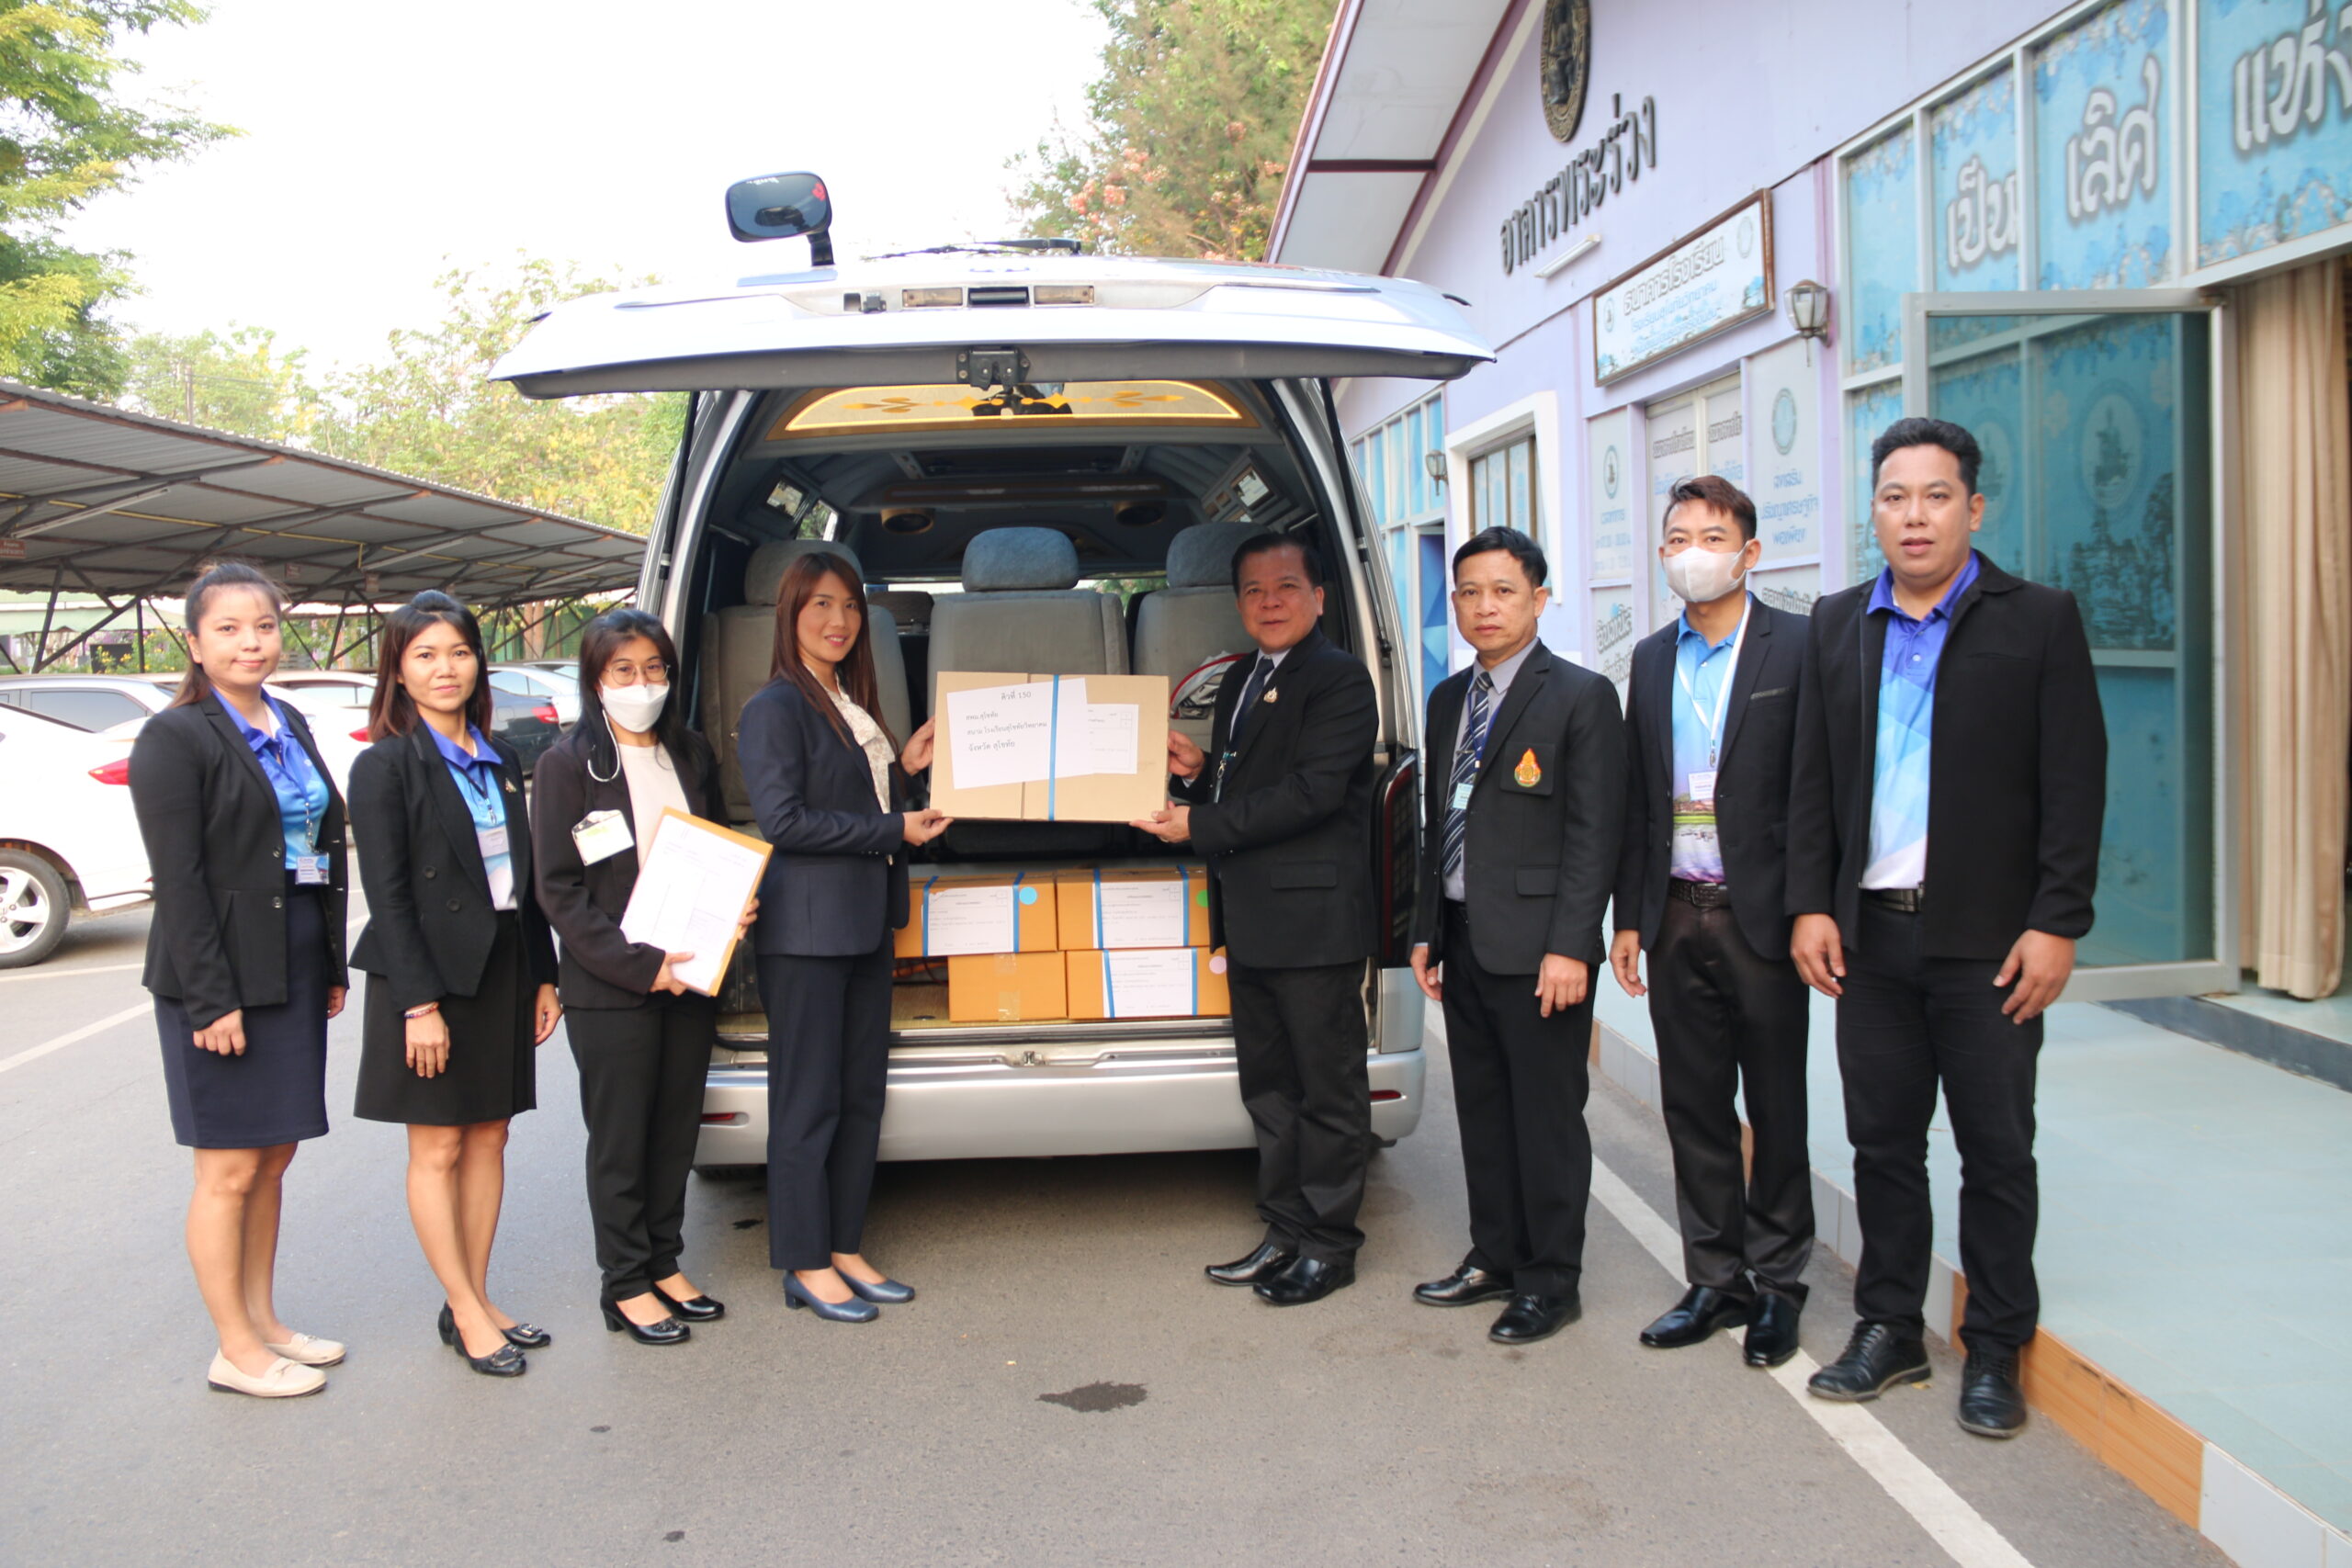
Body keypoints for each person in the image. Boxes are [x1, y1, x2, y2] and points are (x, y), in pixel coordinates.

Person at [1787, 417, 2106, 1438]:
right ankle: (1890, 1327)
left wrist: (2056, 921)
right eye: (1894, 496)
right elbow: (1809, 782)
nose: (1913, 516)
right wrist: (1810, 904)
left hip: (1989, 944)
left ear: (1974, 506)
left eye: (1934, 496)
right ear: (1873, 511)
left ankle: (1996, 1347)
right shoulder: (1838, 623)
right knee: (1881, 1144)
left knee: (1996, 1148)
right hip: (1871, 939)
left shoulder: (2038, 619)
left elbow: (2074, 782)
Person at [1134, 532, 1380, 1307]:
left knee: (1327, 1091)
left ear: (1319, 597)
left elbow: (1312, 792)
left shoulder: (1340, 679)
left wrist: (1198, 825)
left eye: (1286, 587)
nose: (1269, 603)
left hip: (1313, 924)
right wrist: (1200, 775)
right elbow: (1253, 783)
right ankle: (1284, 1228)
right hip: (1252, 919)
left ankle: (1329, 1245)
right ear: (1237, 603)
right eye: (1253, 591)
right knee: (1270, 1091)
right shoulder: (1244, 675)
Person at [130, 561, 350, 1399]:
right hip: (220, 973)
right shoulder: (174, 737)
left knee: (273, 1155)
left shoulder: (288, 718)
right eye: (227, 628)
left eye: (263, 624)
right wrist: (210, 998)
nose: (250, 642)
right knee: (227, 1168)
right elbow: (179, 881)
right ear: (194, 642)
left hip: (292, 957)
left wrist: (329, 961)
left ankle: (264, 1320)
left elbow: (319, 845)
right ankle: (234, 1347)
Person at [1610, 476, 1814, 1369]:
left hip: (1761, 919)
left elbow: (1816, 792)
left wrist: (1811, 910)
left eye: (1713, 537)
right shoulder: (1652, 658)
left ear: (1750, 553)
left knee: (1775, 1106)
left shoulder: (1797, 647)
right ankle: (1714, 1278)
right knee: (1693, 1106)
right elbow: (1638, 798)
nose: (1693, 553)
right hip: (1674, 915)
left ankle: (1780, 1285)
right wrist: (1629, 917)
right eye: (1678, 538)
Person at [1406, 526, 1624, 1346]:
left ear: (1539, 598)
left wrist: (1572, 944)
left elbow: (1595, 833)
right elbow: (1440, 822)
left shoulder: (1579, 696)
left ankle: (1550, 1279)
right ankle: (1495, 1255)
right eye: (1469, 592)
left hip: (1541, 952)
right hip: (1464, 938)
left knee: (1546, 1118)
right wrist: (1426, 928)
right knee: (1484, 1112)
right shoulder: (1446, 701)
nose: (1484, 606)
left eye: (1503, 590)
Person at [349, 592, 562, 1378]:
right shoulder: (384, 765)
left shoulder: (497, 757)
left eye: (460, 652)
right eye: (426, 654)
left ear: (479, 662)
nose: (446, 668)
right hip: (429, 978)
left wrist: (544, 974)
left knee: (490, 1135)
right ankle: (466, 1309)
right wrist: (419, 1004)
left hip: (503, 964)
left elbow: (523, 879)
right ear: (398, 670)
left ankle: (472, 1293)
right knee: (438, 1144)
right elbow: (388, 895)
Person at [533, 609, 755, 1347]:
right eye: (624, 670)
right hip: (613, 986)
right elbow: (559, 890)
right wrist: (639, 966)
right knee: (622, 1137)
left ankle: (664, 1261)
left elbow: (718, 842)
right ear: (595, 679)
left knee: (673, 1129)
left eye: (654, 668)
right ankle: (625, 1281)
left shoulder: (687, 752)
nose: (642, 682)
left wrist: (735, 903)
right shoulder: (568, 765)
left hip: (688, 975)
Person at [738, 549, 948, 1324]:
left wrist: (908, 773)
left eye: (852, 606)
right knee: (808, 1101)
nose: (839, 620)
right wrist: (895, 827)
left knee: (861, 1097)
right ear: (791, 612)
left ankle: (845, 1244)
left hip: (862, 923)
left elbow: (861, 803)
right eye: (821, 604)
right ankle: (805, 1260)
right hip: (806, 933)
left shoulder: (850, 702)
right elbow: (785, 820)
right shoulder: (775, 706)